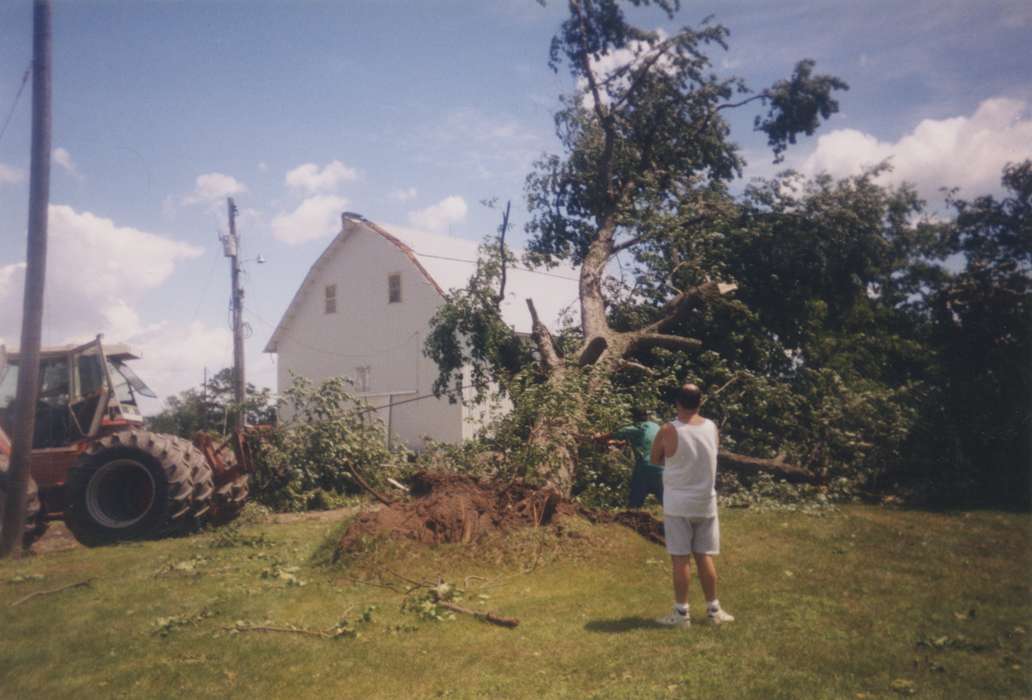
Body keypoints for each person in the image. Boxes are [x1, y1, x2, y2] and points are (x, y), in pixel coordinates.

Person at [650, 383, 734, 627]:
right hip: (705, 502)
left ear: (677, 402)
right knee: (704, 556)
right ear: (700, 402)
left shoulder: (668, 430)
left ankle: (681, 613)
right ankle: (713, 610)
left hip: (678, 503)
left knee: (680, 559)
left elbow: (655, 458)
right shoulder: (711, 427)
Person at [597, 409, 664, 508]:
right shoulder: (655, 427)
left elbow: (617, 432)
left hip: (645, 467)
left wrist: (600, 438)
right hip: (663, 467)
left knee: (635, 499)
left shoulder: (637, 427)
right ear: (647, 417)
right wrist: (614, 443)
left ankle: (632, 518)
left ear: (634, 418)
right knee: (666, 500)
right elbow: (640, 439)